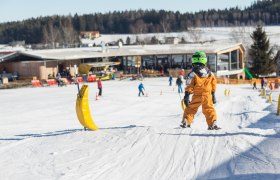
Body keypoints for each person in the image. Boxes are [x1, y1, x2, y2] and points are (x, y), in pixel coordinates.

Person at [181, 51, 220, 130]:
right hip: (207, 95)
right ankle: (213, 123)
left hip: (197, 95)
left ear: (193, 61)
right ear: (204, 60)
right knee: (209, 109)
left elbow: (189, 84)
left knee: (191, 108)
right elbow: (213, 84)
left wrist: (187, 95)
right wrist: (213, 94)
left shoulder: (192, 74)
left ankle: (186, 121)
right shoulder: (210, 73)